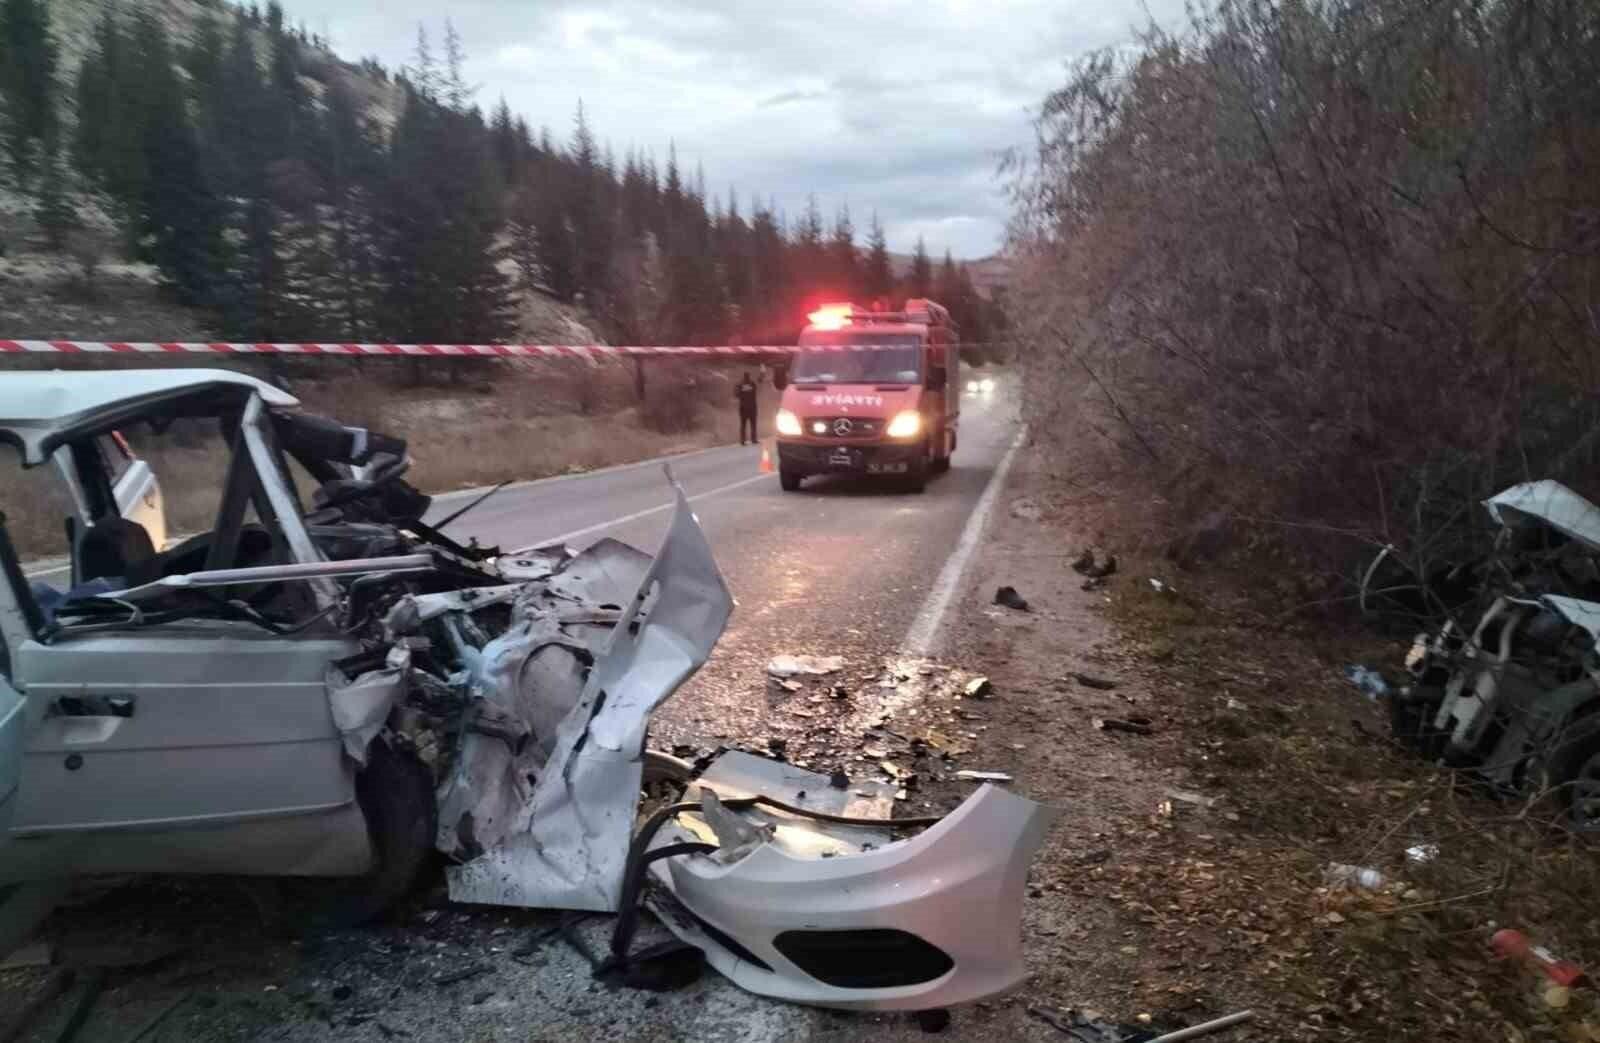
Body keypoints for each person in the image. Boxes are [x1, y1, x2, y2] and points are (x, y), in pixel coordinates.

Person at [736, 371, 758, 445]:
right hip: (752, 407)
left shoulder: (740, 385)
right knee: (753, 424)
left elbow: (736, 394)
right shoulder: (752, 384)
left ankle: (742, 440)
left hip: (743, 408)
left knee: (743, 424)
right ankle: (753, 439)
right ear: (749, 376)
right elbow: (755, 392)